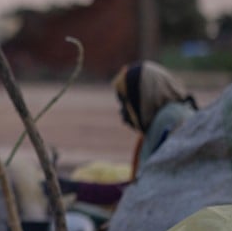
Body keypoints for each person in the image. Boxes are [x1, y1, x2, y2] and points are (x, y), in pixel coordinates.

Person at [55, 60, 198, 207]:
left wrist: (79, 190)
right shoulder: (174, 115)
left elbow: (144, 191)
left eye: (125, 104)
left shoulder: (170, 119)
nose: (123, 116)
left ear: (143, 98)